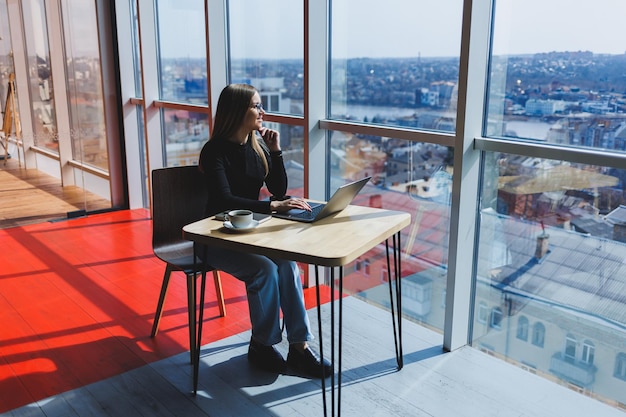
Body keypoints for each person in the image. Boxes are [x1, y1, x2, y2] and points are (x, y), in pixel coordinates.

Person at [198, 83, 331, 378]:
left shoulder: (255, 147)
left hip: (249, 232)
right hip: (215, 236)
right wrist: (272, 207)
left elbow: (278, 190)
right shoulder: (214, 151)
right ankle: (262, 344)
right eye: (256, 106)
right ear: (237, 111)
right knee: (264, 270)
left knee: (286, 264)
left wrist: (276, 151)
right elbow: (223, 201)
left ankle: (299, 347)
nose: (263, 111)